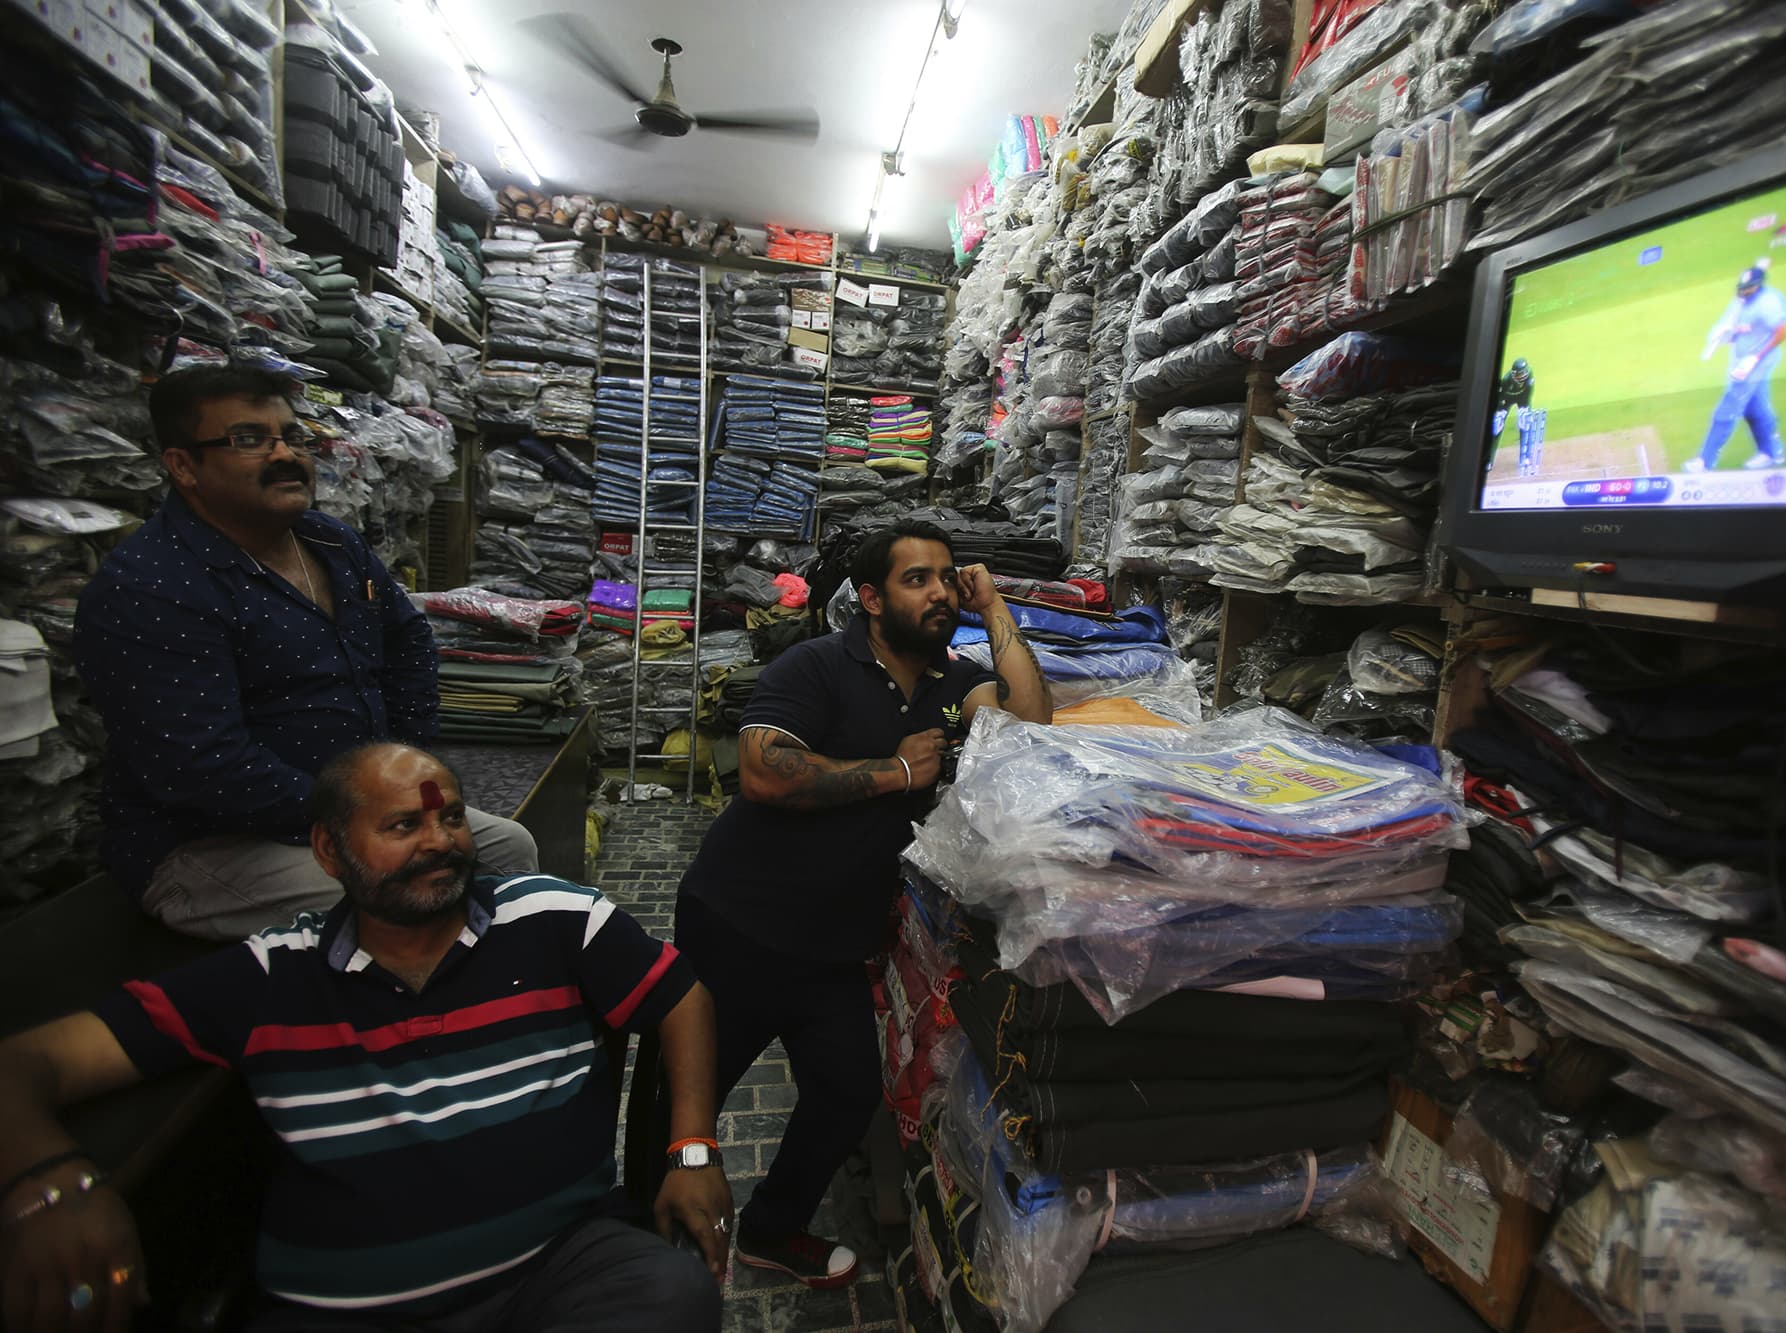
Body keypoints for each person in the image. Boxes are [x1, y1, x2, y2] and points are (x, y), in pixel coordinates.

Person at [0, 743, 730, 1332]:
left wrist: (691, 1148)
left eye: (452, 821)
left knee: (671, 1293)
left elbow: (682, 994)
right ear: (327, 850)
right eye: (404, 827)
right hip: (352, 1307)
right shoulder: (270, 976)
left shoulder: (550, 917)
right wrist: (53, 1186)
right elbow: (25, 1063)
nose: (439, 844)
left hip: (564, 1266)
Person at [673, 519, 1052, 1287]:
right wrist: (894, 773)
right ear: (873, 598)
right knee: (690, 1092)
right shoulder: (816, 662)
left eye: (949, 577)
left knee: (846, 1091)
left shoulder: (953, 680)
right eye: (920, 579)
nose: (941, 590)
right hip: (743, 924)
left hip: (838, 945)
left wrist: (996, 610)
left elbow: (1030, 726)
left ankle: (772, 1228)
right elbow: (763, 771)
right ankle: (649, 1232)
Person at [73, 366, 537, 940]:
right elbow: (201, 767)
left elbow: (408, 642)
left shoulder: (327, 540)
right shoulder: (151, 585)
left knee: (511, 851)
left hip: (362, 809)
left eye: (293, 437)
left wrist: (405, 762)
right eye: (249, 440)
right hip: (213, 842)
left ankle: (508, 1008)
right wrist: (359, 816)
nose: (285, 454)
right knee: (402, 898)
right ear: (183, 465)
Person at [1690, 260, 1786, 472]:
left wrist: (1756, 357)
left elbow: (1782, 331)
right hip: (1743, 359)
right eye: (1742, 288)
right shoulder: (1742, 301)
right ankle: (1772, 452)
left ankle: (1705, 461)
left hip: (1758, 362)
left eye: (1748, 288)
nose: (1743, 291)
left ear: (1758, 285)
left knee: (1729, 407)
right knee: (1755, 408)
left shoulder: (1768, 302)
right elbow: (1736, 328)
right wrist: (1725, 334)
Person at [1491, 356, 1536, 474]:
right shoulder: (1506, 380)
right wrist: (1500, 412)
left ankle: (1525, 458)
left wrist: (1523, 413)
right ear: (1514, 374)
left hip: (1522, 399)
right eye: (1520, 374)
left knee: (1525, 424)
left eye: (1524, 373)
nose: (1522, 376)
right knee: (1496, 427)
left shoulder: (1530, 379)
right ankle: (1489, 460)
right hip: (1506, 400)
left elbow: (1527, 397)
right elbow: (1499, 398)